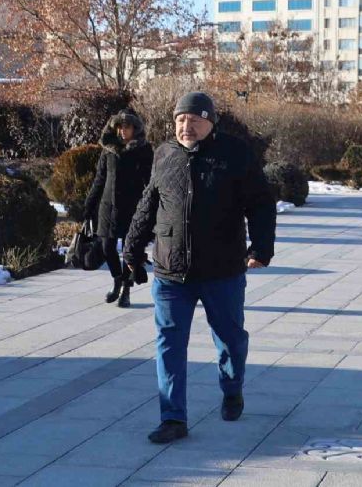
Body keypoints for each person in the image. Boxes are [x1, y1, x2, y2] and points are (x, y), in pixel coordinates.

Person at [123, 92, 276, 445]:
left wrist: (262, 247)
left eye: (194, 119)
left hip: (221, 270)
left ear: (211, 123)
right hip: (170, 271)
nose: (185, 126)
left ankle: (232, 387)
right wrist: (132, 248)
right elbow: (149, 203)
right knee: (169, 344)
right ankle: (173, 418)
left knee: (230, 339)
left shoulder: (235, 154)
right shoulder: (164, 155)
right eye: (179, 119)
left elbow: (261, 203)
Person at [83, 109, 154, 308]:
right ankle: (117, 280)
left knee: (129, 249)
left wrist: (151, 206)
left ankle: (126, 290)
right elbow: (100, 178)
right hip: (108, 206)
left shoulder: (143, 150)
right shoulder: (108, 150)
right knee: (107, 247)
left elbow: (149, 180)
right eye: (120, 127)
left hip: (132, 207)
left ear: (135, 128)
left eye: (127, 127)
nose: (123, 131)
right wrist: (89, 204)